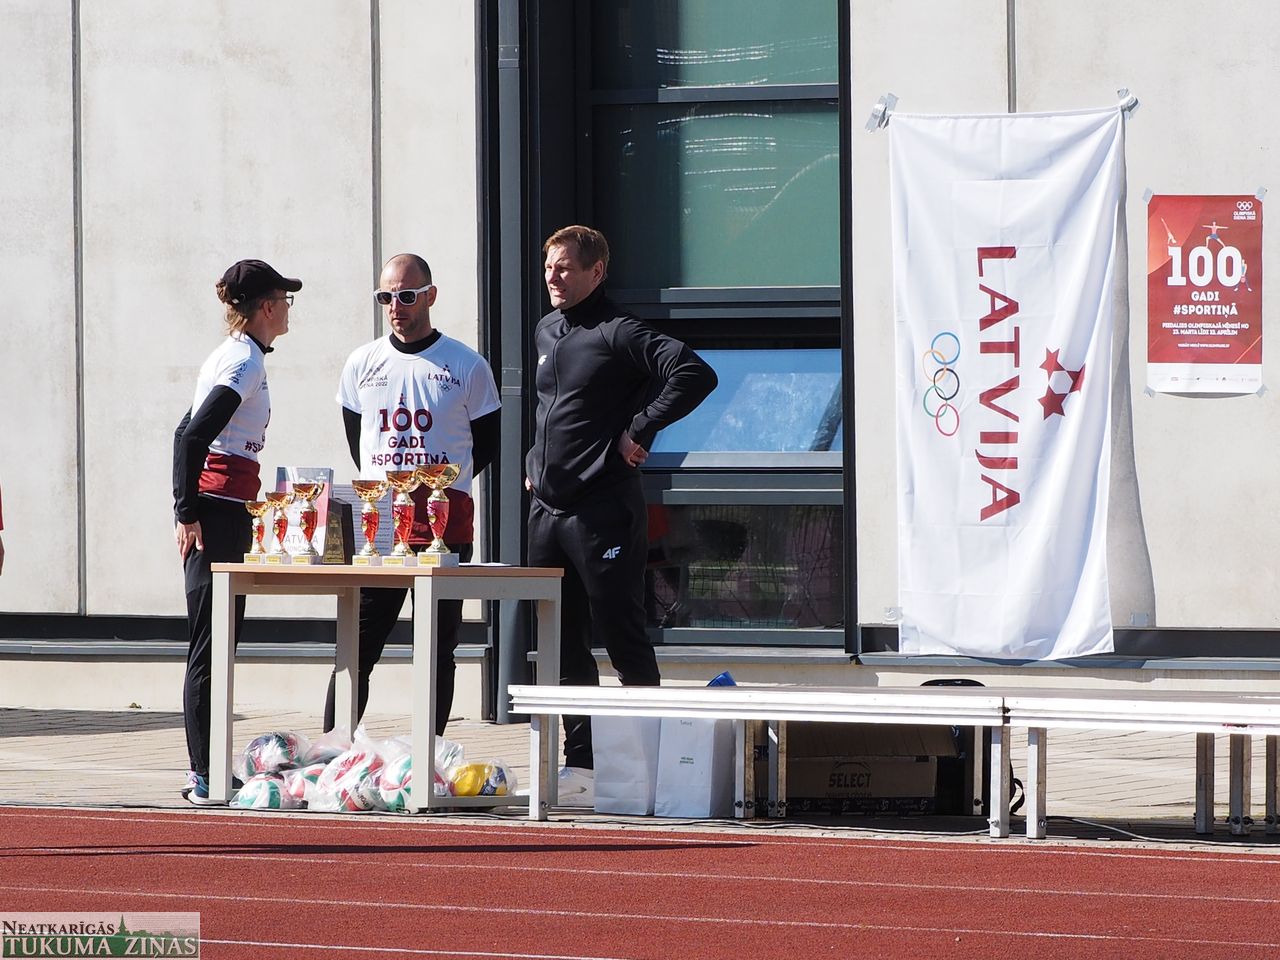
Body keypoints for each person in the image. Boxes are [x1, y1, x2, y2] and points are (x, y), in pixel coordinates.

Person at [525, 225, 717, 805]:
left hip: (603, 510)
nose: (554, 277)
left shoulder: (619, 330)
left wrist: (641, 428)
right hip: (547, 510)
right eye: (549, 267)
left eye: (565, 268)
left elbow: (694, 373)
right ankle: (581, 766)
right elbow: (553, 409)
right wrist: (535, 462)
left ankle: (649, 766)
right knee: (561, 643)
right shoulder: (547, 329)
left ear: (596, 272)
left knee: (621, 634)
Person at [325, 253, 501, 736]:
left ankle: (430, 755)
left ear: (430, 296)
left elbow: (486, 446)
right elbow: (358, 439)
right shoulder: (362, 363)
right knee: (357, 647)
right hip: (381, 526)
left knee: (437, 648)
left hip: (445, 524)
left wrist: (442, 487)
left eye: (406, 295)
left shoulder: (466, 364)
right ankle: (333, 751)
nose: (395, 306)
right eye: (385, 297)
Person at [173, 259, 301, 804]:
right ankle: (203, 774)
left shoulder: (239, 355)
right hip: (218, 514)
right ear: (266, 307)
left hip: (227, 511)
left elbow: (185, 430)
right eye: (285, 300)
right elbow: (190, 437)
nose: (289, 309)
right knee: (210, 644)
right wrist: (187, 512)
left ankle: (208, 769)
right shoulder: (243, 360)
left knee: (218, 642)